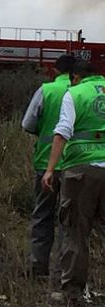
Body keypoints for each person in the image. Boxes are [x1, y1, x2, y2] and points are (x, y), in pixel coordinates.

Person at [42, 60, 105, 302]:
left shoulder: (75, 94)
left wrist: (50, 170)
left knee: (76, 232)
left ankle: (72, 292)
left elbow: (63, 132)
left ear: (76, 77)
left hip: (81, 171)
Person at [22, 54, 76, 278]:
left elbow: (28, 124)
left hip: (46, 164)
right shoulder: (81, 93)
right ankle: (63, 271)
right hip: (75, 163)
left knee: (43, 215)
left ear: (55, 71)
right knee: (69, 220)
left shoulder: (46, 90)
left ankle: (38, 267)